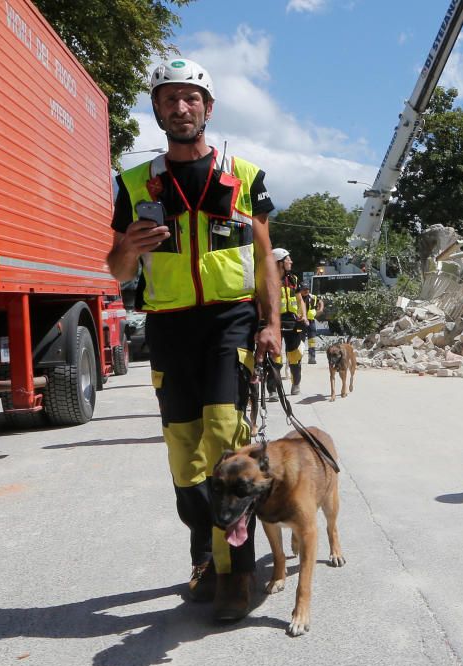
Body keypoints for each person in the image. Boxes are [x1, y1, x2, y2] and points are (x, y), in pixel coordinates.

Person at [106, 57, 279, 620]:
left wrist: (272, 324)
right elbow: (116, 271)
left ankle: (237, 575)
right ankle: (204, 556)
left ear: (208, 108)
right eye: (168, 99)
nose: (180, 108)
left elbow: (263, 258)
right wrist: (130, 248)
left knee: (227, 441)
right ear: (156, 109)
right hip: (169, 326)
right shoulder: (134, 184)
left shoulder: (245, 176)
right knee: (184, 454)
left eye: (190, 98)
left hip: (230, 322)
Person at [270, 249, 307, 394]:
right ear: (279, 262)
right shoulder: (268, 280)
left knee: (295, 355)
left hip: (292, 322)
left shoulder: (293, 279)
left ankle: (295, 384)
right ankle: (272, 388)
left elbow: (300, 300)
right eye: (288, 259)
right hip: (275, 322)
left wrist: (303, 315)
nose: (291, 262)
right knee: (275, 356)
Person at [298, 283, 324, 364]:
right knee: (299, 341)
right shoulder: (297, 297)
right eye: (304, 289)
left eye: (308, 289)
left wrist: (320, 309)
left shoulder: (312, 297)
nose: (306, 291)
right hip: (300, 322)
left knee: (312, 340)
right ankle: (298, 358)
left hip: (311, 321)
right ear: (300, 290)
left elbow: (320, 301)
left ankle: (312, 358)